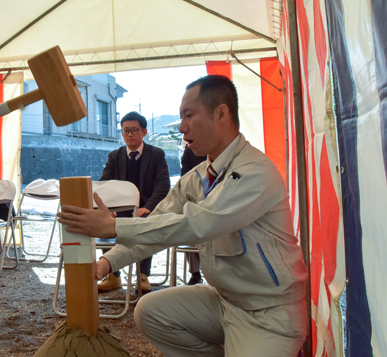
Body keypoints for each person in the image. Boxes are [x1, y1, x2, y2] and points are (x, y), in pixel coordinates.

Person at [58, 75, 308, 355]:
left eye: (189, 115)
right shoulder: (198, 177)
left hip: (269, 313)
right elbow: (157, 224)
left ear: (221, 113)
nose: (181, 127)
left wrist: (114, 226)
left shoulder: (254, 171)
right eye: (180, 117)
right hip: (225, 302)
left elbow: (197, 223)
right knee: (150, 311)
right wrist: (107, 262)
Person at [97, 111, 170, 294]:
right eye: (125, 131)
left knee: (145, 224)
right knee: (103, 224)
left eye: (134, 130)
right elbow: (105, 185)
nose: (129, 134)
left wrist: (148, 207)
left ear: (144, 132)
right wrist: (109, 210)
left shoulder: (156, 154)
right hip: (120, 210)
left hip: (146, 208)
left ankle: (143, 275)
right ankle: (113, 276)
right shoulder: (115, 156)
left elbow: (163, 185)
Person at [179, 145, 206, 285]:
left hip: (221, 199)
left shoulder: (227, 146)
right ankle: (195, 273)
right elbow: (184, 176)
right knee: (189, 225)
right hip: (195, 198)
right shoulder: (191, 149)